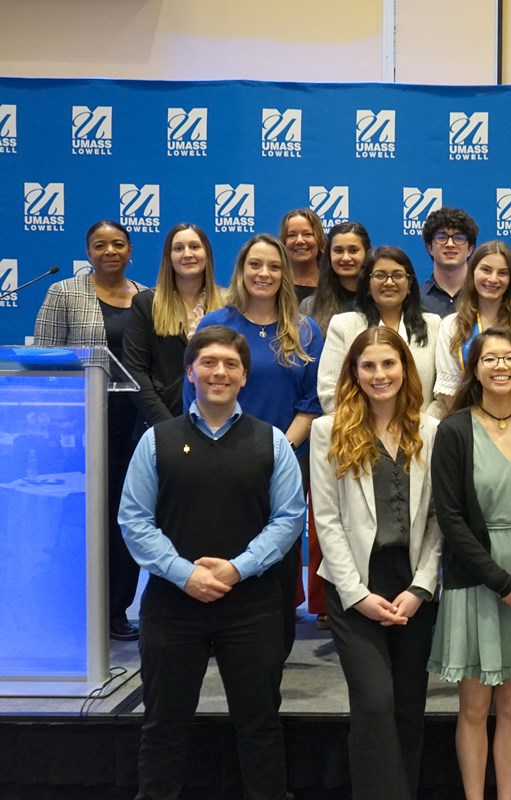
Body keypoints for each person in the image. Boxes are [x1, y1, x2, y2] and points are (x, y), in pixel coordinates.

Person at [117, 325, 306, 800]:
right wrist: (187, 575)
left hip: (253, 605)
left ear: (244, 377)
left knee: (260, 725)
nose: (219, 372)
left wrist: (236, 568)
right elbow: (134, 520)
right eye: (209, 363)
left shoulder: (273, 442)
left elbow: (289, 519)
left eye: (230, 365)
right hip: (172, 606)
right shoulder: (156, 440)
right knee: (163, 726)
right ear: (190, 372)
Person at [428, 328, 511, 800]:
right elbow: (450, 516)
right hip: (477, 582)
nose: (501, 366)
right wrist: (500, 580)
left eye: (510, 358)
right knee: (472, 707)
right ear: (475, 368)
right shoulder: (454, 429)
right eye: (490, 359)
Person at [310, 327, 442, 800]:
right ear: (354, 372)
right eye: (369, 365)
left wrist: (422, 586)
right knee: (373, 701)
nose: (380, 374)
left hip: (414, 587)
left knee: (408, 707)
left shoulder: (431, 430)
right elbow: (326, 519)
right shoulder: (329, 430)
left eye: (389, 364)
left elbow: (439, 522)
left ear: (406, 369)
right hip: (356, 586)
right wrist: (357, 595)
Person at [189, 233, 324, 658]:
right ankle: (216, 638)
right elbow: (193, 392)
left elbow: (312, 402)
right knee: (223, 543)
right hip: (220, 457)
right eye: (255, 265)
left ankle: (273, 643)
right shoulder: (216, 324)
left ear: (285, 274)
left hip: (287, 458)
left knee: (278, 553)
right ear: (241, 270)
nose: (264, 274)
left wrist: (276, 452)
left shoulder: (304, 329)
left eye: (273, 266)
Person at [34, 219, 148, 640]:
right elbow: (44, 360)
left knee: (127, 517)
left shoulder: (147, 298)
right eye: (100, 245)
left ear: (130, 249)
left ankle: (116, 610)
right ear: (88, 251)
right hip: (81, 426)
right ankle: (72, 608)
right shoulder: (63, 293)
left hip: (134, 425)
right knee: (81, 517)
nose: (110, 251)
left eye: (118, 244)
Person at [124, 223, 224, 434]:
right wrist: (167, 426)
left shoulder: (229, 304)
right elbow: (135, 371)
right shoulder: (146, 304)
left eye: (195, 247)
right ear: (169, 257)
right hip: (159, 426)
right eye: (178, 248)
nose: (187, 254)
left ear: (207, 253)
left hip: (219, 425)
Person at [319, 246, 440, 413]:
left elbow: (441, 394)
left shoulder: (433, 325)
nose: (389, 282)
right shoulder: (343, 326)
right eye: (380, 275)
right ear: (367, 285)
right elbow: (329, 391)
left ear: (410, 283)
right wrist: (370, 430)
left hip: (421, 433)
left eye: (398, 275)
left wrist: (421, 428)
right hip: (358, 434)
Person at [434, 241, 511, 404]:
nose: (493, 279)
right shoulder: (452, 326)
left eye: (502, 273)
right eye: (486, 270)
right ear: (472, 272)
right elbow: (450, 392)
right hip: (468, 421)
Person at [299, 221, 371, 334]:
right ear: (329, 255)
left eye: (353, 250)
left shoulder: (381, 302)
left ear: (367, 253)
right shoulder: (309, 306)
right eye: (338, 251)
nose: (346, 257)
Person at [420, 206, 478, 317]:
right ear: (430, 248)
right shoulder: (416, 299)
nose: (450, 244)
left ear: (470, 249)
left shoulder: (483, 296)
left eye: (459, 238)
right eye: (441, 237)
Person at [280, 208, 326, 304]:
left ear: (319, 239)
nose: (300, 241)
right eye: (292, 235)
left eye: (307, 234)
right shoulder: (275, 281)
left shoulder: (332, 282)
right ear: (284, 241)